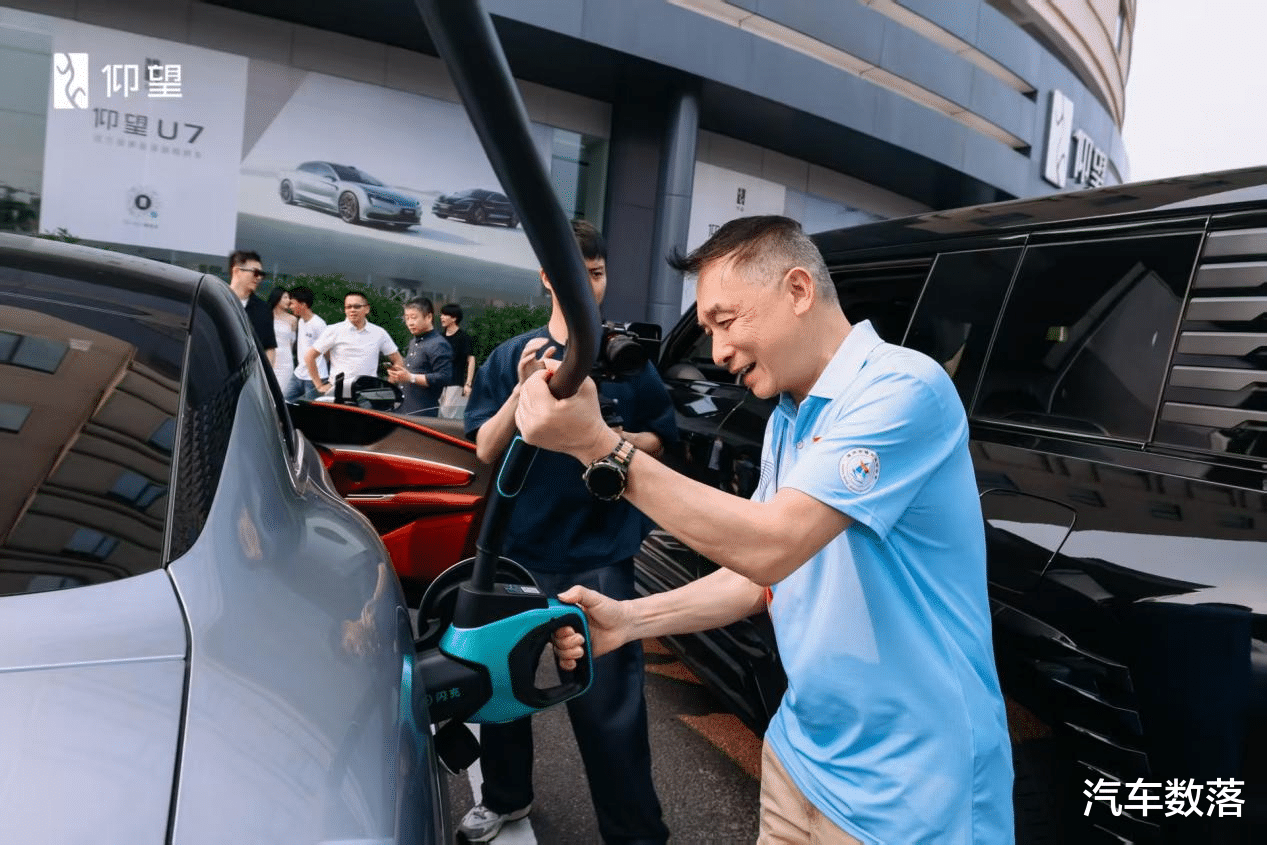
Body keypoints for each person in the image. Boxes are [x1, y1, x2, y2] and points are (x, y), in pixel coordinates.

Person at [518, 216, 1015, 845]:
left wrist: (598, 447)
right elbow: (758, 575)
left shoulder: (903, 387)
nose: (718, 352)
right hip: (799, 760)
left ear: (799, 290)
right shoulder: (788, 415)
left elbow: (772, 545)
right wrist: (630, 619)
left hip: (911, 796)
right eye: (708, 332)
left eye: (725, 321)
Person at [458, 220, 677, 845]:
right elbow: (485, 448)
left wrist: (610, 438)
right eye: (575, 275)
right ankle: (505, 797)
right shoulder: (513, 356)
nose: (589, 286)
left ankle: (636, 834)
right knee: (504, 687)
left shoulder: (625, 358)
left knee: (611, 707)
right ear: (548, 279)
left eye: (598, 275)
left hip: (599, 553)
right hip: (517, 552)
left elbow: (662, 439)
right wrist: (522, 392)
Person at [304, 291, 404, 397]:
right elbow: (309, 356)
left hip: (369, 392)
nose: (352, 310)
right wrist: (319, 386)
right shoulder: (334, 330)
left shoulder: (379, 333)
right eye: (348, 307)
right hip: (339, 391)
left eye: (357, 306)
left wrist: (390, 381)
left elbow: (398, 359)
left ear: (367, 309)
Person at [387, 297, 452, 416]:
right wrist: (398, 375)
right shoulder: (414, 342)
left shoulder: (438, 344)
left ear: (429, 317)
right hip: (403, 409)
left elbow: (444, 377)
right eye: (407, 318)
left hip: (422, 414)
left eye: (414, 317)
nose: (410, 323)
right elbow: (415, 371)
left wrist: (411, 377)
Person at [227, 249, 276, 365]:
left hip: (250, 372)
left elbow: (269, 348)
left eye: (261, 274)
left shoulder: (263, 308)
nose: (259, 278)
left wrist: (264, 374)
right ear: (237, 271)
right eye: (255, 273)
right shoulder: (217, 299)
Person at [286, 285, 328, 402]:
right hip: (299, 374)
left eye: (292, 303)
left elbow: (327, 352)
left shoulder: (319, 324)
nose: (290, 307)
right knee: (285, 402)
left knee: (310, 409)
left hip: (315, 378)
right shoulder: (300, 321)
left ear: (303, 304)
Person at [438, 302, 475, 419]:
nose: (441, 317)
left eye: (445, 315)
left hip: (455, 384)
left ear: (454, 318)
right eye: (441, 315)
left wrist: (468, 384)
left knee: (450, 417)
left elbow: (471, 360)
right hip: (439, 384)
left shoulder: (464, 338)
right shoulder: (440, 338)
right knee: (439, 417)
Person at [267, 285, 298, 398]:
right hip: (269, 358)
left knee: (282, 394)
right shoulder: (266, 315)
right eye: (285, 297)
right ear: (277, 298)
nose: (288, 300)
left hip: (285, 362)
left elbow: (292, 342)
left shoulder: (293, 319)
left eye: (289, 298)